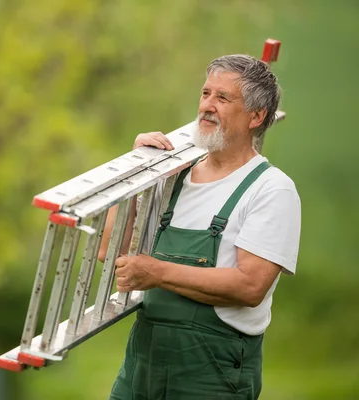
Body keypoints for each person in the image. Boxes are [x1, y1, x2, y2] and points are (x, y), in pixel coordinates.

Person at [98, 54, 302, 400]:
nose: (207, 106)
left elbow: (250, 286)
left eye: (223, 98)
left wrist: (158, 273)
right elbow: (110, 252)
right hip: (142, 366)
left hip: (211, 374)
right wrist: (135, 174)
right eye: (206, 94)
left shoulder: (271, 189)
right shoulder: (173, 175)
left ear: (257, 116)